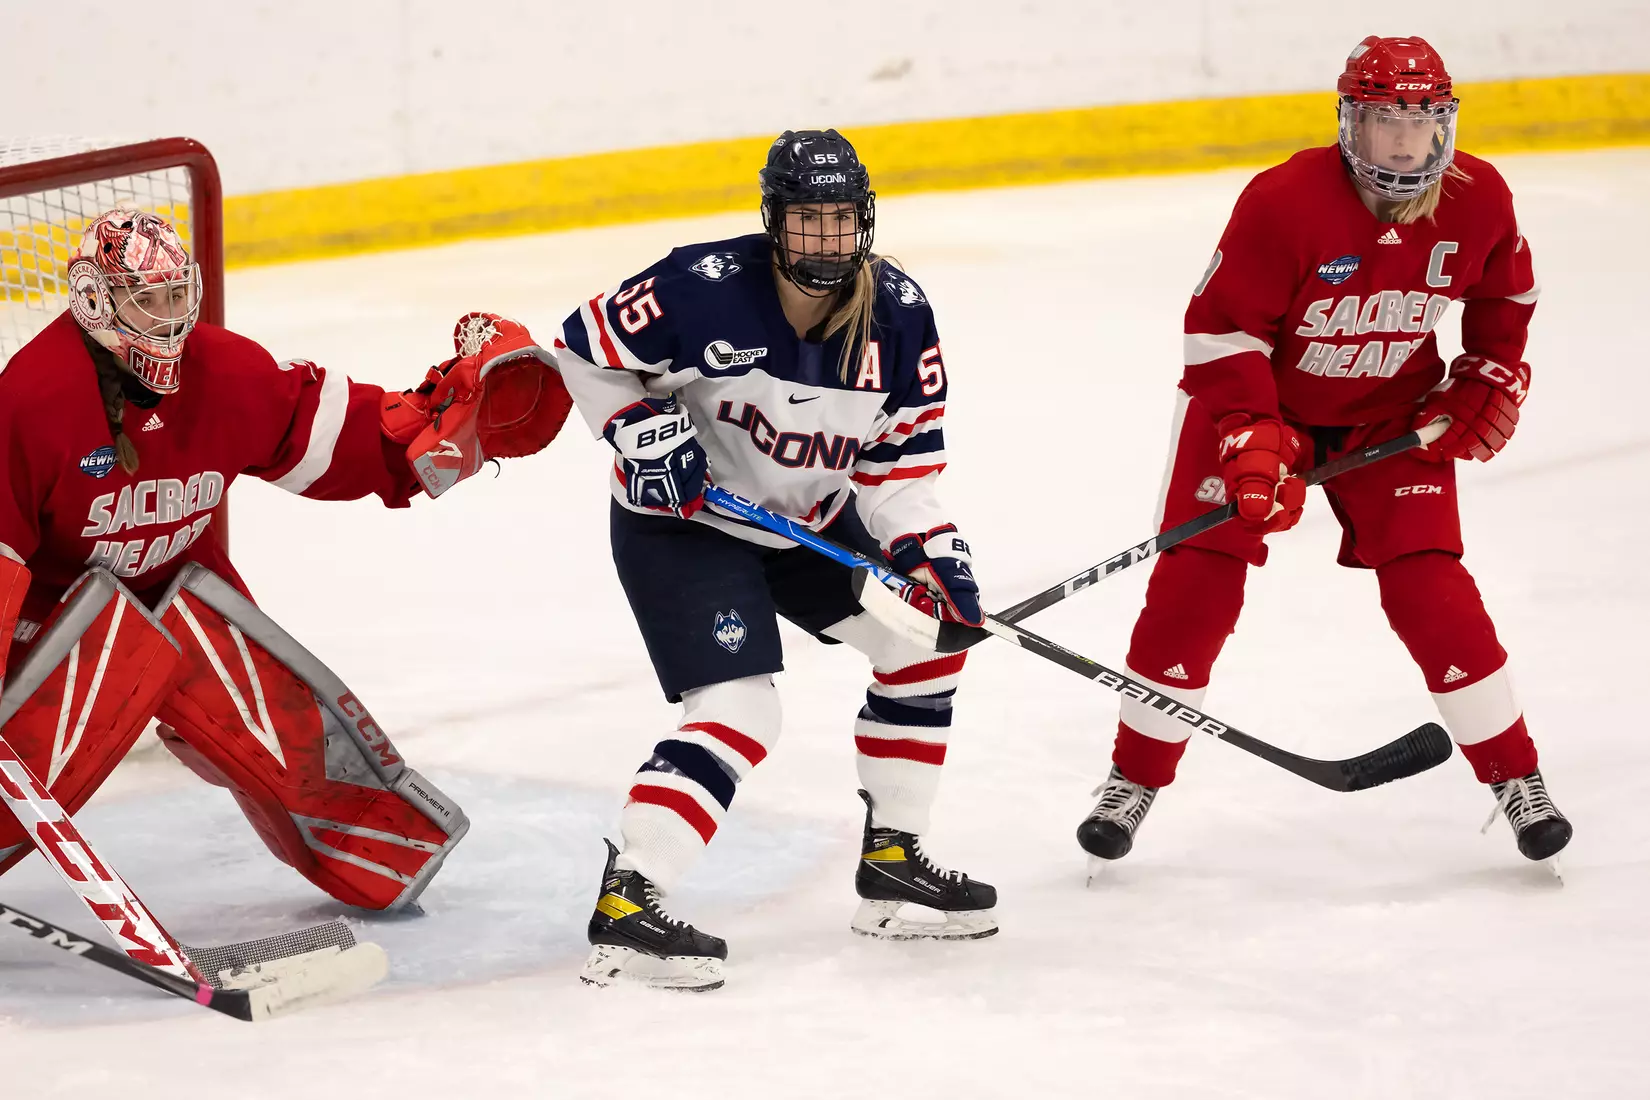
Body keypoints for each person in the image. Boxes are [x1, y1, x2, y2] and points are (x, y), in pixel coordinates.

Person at [1077, 36, 1570, 868]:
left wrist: (1487, 375)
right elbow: (1221, 332)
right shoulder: (1285, 201)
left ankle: (1517, 780)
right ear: (1351, 124)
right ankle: (1134, 779)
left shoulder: (1480, 196)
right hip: (1262, 409)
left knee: (1432, 589)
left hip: (1392, 417)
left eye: (1422, 122)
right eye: (1385, 123)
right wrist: (1250, 437)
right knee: (1194, 587)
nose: (1406, 143)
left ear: (1446, 125)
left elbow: (1506, 293)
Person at [0, 204, 571, 911]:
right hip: (52, 627)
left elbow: (329, 434)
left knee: (289, 731)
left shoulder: (224, 371)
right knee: (24, 768)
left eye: (179, 295)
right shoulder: (34, 399)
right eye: (148, 299)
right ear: (94, 299)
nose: (171, 317)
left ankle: (375, 854)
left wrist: (431, 429)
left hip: (180, 602)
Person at [555, 129, 995, 991]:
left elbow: (898, 475)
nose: (825, 240)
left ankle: (893, 859)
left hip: (808, 523)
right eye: (807, 220)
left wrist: (938, 559)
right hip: (686, 526)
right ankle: (630, 899)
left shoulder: (901, 319)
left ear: (864, 221)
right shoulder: (698, 289)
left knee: (922, 651)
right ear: (774, 221)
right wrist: (638, 428)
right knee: (742, 707)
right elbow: (579, 351)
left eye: (841, 220)